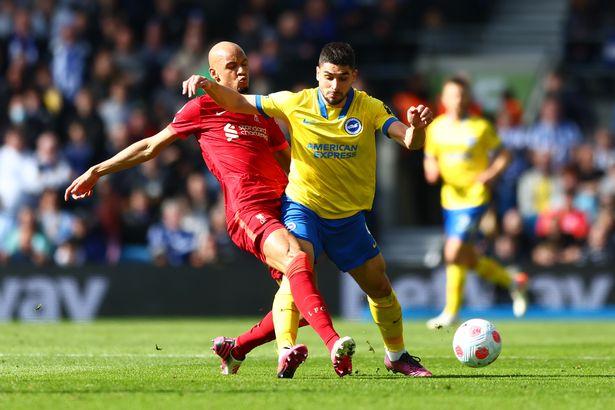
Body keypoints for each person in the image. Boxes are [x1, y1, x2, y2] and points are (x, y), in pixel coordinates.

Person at [65, 41, 354, 379]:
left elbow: (291, 163)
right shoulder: (202, 109)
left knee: (299, 304)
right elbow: (150, 146)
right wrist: (97, 170)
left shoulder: (262, 113)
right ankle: (332, 343)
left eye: (244, 63)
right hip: (248, 209)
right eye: (232, 66)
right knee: (296, 260)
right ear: (214, 74)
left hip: (286, 208)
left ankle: (235, 349)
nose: (242, 70)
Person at [183, 42, 433, 377]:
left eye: (343, 78)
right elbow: (239, 101)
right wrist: (208, 85)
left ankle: (397, 355)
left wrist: (417, 129)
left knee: (379, 286)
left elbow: (408, 140)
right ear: (317, 74)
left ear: (353, 77)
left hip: (347, 218)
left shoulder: (369, 108)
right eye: (328, 77)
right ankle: (285, 351)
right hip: (303, 208)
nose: (334, 85)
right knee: (294, 269)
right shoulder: (294, 102)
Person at [422, 77, 529, 329]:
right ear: (444, 99)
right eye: (452, 95)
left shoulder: (480, 127)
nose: (457, 100)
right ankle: (513, 281)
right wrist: (431, 168)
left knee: (453, 251)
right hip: (450, 198)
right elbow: (429, 155)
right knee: (466, 258)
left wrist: (489, 175)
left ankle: (451, 312)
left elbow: (505, 154)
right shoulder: (436, 128)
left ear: (468, 98)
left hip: (475, 198)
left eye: (461, 95)